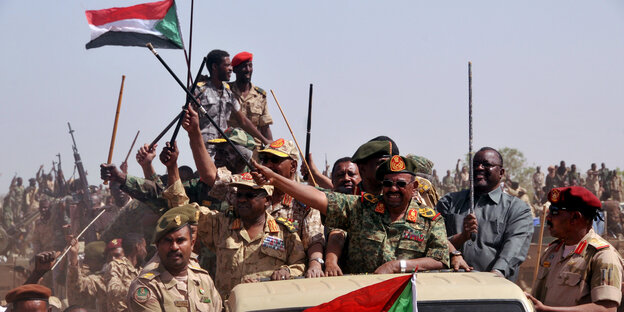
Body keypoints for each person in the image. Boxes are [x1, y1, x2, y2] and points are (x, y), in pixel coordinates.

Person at [252, 155, 450, 274]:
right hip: (362, 296)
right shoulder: (361, 207)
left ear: (414, 186)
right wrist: (274, 179)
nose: (393, 189)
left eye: (400, 184)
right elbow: (317, 197)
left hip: (408, 299)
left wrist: (397, 266)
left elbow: (439, 259)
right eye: (388, 184)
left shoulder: (430, 220)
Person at [162, 173, 305, 298]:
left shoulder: (284, 232)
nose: (242, 200)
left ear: (267, 200)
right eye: (239, 195)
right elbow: (182, 210)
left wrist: (286, 271)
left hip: (265, 307)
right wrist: (172, 167)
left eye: (250, 196)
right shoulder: (221, 224)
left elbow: (300, 265)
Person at [436, 147, 534, 281]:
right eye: (475, 165)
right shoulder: (449, 202)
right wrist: (462, 238)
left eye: (486, 164)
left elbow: (513, 250)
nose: (479, 168)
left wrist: (493, 278)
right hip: (449, 285)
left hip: (493, 292)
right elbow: (435, 239)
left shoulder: (517, 209)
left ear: (501, 172)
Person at [526, 186, 624, 311]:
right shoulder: (552, 251)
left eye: (554, 212)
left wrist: (547, 310)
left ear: (575, 217)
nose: (548, 218)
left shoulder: (602, 256)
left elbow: (606, 309)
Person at [127, 206, 222, 311]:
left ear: (192, 243)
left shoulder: (204, 280)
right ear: (158, 245)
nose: (174, 247)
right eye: (167, 241)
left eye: (180, 240)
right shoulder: (146, 288)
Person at [258, 139, 325, 278]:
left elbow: (314, 239)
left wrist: (315, 264)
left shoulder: (304, 201)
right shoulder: (253, 194)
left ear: (293, 166)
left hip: (289, 278)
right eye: (264, 160)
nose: (268, 165)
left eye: (275, 160)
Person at [196, 49, 270, 158]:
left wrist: (265, 140)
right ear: (215, 67)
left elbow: (243, 120)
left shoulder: (228, 93)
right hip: (205, 148)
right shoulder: (199, 90)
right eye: (227, 65)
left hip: (224, 150)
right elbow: (190, 121)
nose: (230, 69)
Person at [228, 51, 273, 144]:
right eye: (244, 66)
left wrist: (271, 146)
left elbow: (265, 126)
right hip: (232, 147)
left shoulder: (260, 95)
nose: (248, 69)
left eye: (250, 66)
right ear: (235, 69)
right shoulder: (226, 91)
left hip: (254, 150)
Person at [106, 233, 147, 312]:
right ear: (138, 246)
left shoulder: (141, 271)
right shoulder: (116, 266)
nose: (145, 252)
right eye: (144, 247)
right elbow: (113, 289)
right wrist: (138, 291)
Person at [66, 240, 108, 311]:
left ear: (99, 261)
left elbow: (79, 285)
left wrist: (74, 257)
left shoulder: (104, 278)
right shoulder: (89, 269)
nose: (85, 261)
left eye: (89, 259)